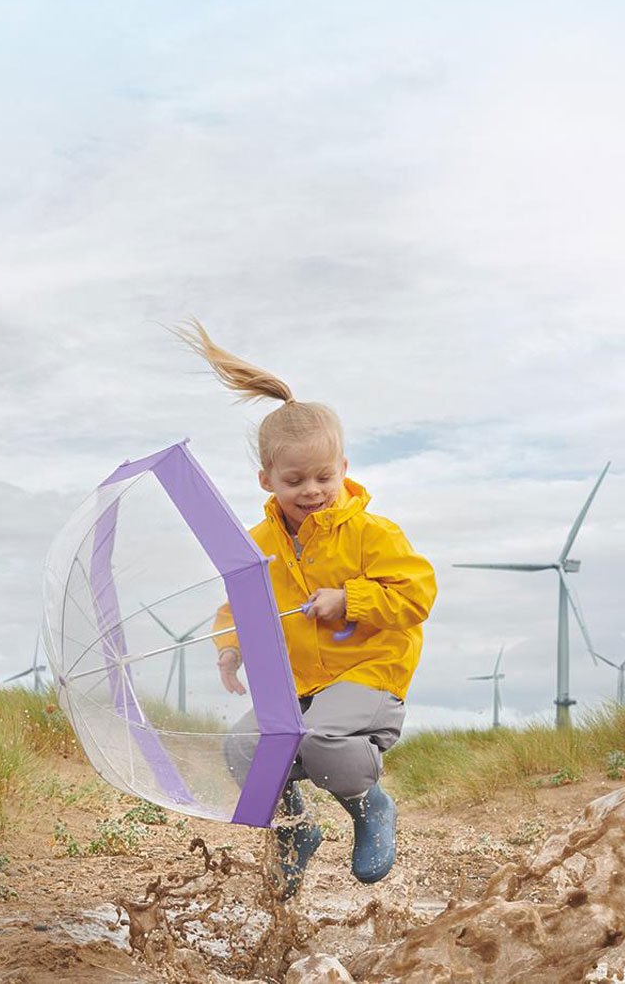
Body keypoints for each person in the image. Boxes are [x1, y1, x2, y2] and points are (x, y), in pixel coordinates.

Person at [175, 320, 437, 900]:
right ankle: (295, 828)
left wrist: (350, 600)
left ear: (344, 467)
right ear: (266, 479)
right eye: (295, 480)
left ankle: (370, 806)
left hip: (368, 674)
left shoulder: (373, 533)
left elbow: (416, 596)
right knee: (243, 749)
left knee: (319, 738)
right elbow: (238, 604)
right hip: (296, 683)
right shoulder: (258, 544)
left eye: (324, 476)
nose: (312, 490)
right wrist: (230, 646)